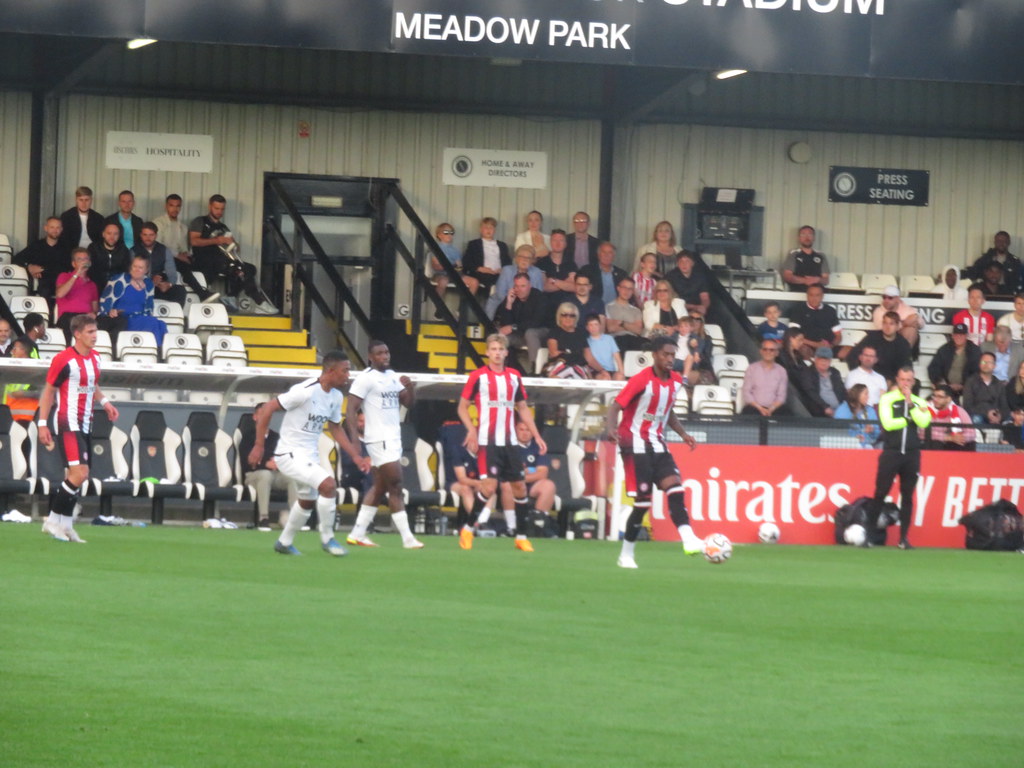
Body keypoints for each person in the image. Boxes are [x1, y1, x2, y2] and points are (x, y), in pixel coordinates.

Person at [248, 350, 364, 556]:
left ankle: (284, 542)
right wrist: (259, 445)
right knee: (329, 486)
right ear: (330, 371)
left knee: (307, 500)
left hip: (308, 456)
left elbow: (335, 428)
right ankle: (328, 539)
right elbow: (267, 409)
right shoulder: (304, 391)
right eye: (345, 371)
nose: (348, 375)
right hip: (289, 454)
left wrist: (355, 455)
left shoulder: (336, 397)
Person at [604, 335, 703, 569]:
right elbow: (616, 406)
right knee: (642, 503)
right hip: (634, 443)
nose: (670, 359)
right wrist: (610, 428)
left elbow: (666, 411)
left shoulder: (676, 381)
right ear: (655, 355)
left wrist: (683, 434)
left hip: (658, 443)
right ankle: (626, 553)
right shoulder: (641, 380)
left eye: (673, 355)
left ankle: (688, 538)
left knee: (676, 487)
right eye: (665, 354)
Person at [456, 333, 547, 552]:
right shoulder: (478, 377)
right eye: (493, 349)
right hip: (488, 441)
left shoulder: (514, 376)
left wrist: (536, 435)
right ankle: (468, 530)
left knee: (519, 488)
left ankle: (521, 536)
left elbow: (522, 408)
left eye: (500, 349)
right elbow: (461, 406)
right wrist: (471, 431)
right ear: (487, 352)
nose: (497, 353)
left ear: (506, 353)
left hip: (510, 442)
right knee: (489, 486)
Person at [36, 313, 120, 543]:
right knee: (78, 474)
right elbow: (49, 392)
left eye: (96, 331)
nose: (95, 336)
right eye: (90, 332)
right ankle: (53, 521)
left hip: (86, 423)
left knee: (80, 476)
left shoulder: (96, 358)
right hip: (67, 422)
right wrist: (42, 424)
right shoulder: (63, 359)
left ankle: (65, 525)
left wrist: (105, 402)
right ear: (77, 334)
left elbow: (92, 385)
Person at [345, 341, 424, 549]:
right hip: (378, 438)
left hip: (393, 437)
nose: (385, 356)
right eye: (380, 353)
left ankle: (357, 533)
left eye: (387, 352)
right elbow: (351, 409)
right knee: (396, 484)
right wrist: (355, 440)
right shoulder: (365, 378)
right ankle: (407, 538)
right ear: (370, 357)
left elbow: (408, 403)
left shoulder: (393, 376)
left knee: (380, 486)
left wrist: (410, 388)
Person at [872, 366, 932, 550]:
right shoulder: (887, 399)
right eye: (903, 379)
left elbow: (924, 421)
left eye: (909, 380)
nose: (906, 383)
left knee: (907, 495)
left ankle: (903, 538)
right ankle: (869, 533)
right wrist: (907, 419)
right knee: (881, 492)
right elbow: (888, 424)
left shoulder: (918, 401)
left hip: (912, 454)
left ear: (913, 382)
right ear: (897, 380)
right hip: (892, 452)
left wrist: (911, 406)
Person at [189, 194, 276, 313]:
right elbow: (194, 241)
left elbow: (236, 248)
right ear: (210, 206)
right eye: (216, 208)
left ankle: (231, 296)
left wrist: (233, 243)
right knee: (239, 267)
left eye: (222, 209)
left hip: (222, 260)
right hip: (204, 260)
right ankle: (259, 302)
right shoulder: (200, 221)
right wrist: (217, 240)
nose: (219, 212)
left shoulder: (223, 227)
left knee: (250, 268)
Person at [238, 402, 296, 530]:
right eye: (261, 414)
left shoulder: (276, 437)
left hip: (275, 474)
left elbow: (284, 456)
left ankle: (295, 519)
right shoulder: (248, 437)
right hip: (254, 476)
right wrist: (266, 463)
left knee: (292, 477)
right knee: (265, 474)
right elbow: (248, 461)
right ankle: (263, 517)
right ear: (255, 417)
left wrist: (277, 463)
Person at [153, 193, 220, 303]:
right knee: (182, 264)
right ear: (166, 206)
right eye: (172, 205)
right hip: (162, 258)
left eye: (178, 206)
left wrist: (186, 254)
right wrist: (178, 255)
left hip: (177, 258)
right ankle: (202, 294)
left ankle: (206, 288)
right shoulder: (158, 224)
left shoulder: (183, 227)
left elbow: (184, 249)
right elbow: (158, 246)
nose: (175, 209)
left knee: (203, 262)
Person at [99, 255, 169, 346]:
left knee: (161, 324)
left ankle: (159, 352)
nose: (136, 269)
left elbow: (149, 308)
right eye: (134, 266)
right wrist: (110, 311)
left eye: (140, 267)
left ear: (146, 270)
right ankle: (158, 353)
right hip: (123, 319)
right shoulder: (119, 280)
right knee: (151, 322)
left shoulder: (149, 284)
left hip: (141, 317)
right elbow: (104, 301)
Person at [493, 272, 549, 369]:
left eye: (523, 286)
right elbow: (505, 324)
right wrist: (509, 304)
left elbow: (536, 322)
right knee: (502, 336)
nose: (519, 289)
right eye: (517, 286)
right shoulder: (513, 297)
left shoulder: (539, 297)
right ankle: (510, 368)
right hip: (520, 334)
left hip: (542, 333)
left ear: (529, 286)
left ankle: (535, 369)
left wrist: (514, 327)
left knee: (530, 333)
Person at [514, 418, 557, 531]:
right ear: (515, 430)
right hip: (512, 487)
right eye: (521, 429)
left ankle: (537, 522)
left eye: (528, 430)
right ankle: (511, 527)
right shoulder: (509, 447)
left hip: (532, 486)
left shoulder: (538, 447)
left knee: (549, 485)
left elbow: (542, 473)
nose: (524, 433)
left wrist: (522, 476)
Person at [13, 216, 70, 300]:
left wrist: (42, 269)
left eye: (58, 227)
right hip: (41, 284)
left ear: (61, 229)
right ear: (46, 228)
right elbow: (16, 259)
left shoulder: (66, 248)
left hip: (60, 283)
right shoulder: (36, 246)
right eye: (52, 227)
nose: (55, 230)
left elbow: (66, 267)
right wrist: (29, 267)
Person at [847, 312, 913, 382]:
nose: (887, 327)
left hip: (893, 380)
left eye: (891, 324)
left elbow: (906, 367)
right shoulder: (872, 338)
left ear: (897, 326)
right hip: (870, 377)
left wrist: (892, 381)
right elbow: (852, 356)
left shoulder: (902, 344)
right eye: (885, 323)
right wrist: (860, 374)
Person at [134, 222, 187, 306]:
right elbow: (133, 275)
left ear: (156, 235)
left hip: (158, 287)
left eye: (151, 235)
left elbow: (172, 273)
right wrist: (150, 282)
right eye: (145, 235)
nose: (148, 238)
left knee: (180, 290)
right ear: (141, 235)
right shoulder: (134, 251)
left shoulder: (163, 250)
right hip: (141, 287)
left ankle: (175, 318)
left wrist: (168, 284)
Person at [484, 244, 545, 318]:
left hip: (528, 306)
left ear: (532, 261)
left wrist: (524, 305)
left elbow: (539, 294)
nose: (524, 260)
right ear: (516, 258)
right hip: (506, 302)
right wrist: (514, 303)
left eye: (528, 258)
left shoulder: (537, 272)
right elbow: (500, 293)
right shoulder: (507, 270)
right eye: (521, 256)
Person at [54, 248, 99, 343]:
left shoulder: (92, 284)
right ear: (73, 264)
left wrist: (94, 314)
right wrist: (77, 274)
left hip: (85, 318)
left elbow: (95, 308)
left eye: (85, 259)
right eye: (79, 259)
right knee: (72, 322)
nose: (83, 262)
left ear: (89, 262)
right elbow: (60, 294)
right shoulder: (64, 276)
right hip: (68, 318)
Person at [927, 322, 981, 400]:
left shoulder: (974, 350)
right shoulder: (944, 349)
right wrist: (940, 382)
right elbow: (933, 368)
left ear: (966, 336)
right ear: (952, 335)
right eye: (956, 334)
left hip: (968, 389)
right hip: (946, 388)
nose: (958, 337)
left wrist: (964, 385)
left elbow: (977, 372)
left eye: (961, 335)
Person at [788, 284, 842, 359]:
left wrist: (831, 345)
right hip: (808, 346)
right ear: (807, 296)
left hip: (828, 347)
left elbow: (838, 335)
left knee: (849, 350)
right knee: (803, 349)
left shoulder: (830, 310)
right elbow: (793, 335)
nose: (814, 298)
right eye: (811, 295)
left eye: (817, 295)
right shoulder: (798, 310)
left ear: (822, 296)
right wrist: (815, 344)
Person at [740, 338, 790, 417]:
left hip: (774, 409)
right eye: (765, 349)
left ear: (777, 353)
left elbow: (781, 396)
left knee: (787, 414)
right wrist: (760, 408)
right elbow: (746, 392)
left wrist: (770, 409)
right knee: (747, 412)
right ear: (761, 351)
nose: (768, 352)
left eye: (771, 350)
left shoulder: (781, 371)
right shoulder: (751, 369)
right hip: (754, 408)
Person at [461, 216, 510, 294]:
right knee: (492, 281)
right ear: (481, 230)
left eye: (491, 227)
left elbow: (508, 262)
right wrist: (480, 268)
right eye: (485, 227)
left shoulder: (502, 245)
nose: (488, 230)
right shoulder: (474, 244)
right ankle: (491, 302)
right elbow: (466, 262)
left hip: (499, 273)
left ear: (494, 230)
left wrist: (503, 270)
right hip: (482, 273)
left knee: (509, 280)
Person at [795, 347, 847, 417]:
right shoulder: (808, 373)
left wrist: (845, 407)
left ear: (830, 361)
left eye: (826, 360)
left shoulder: (835, 372)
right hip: (819, 412)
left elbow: (842, 391)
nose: (824, 362)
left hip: (839, 410)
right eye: (821, 359)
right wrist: (825, 407)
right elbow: (810, 392)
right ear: (815, 359)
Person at [923, 385, 977, 451]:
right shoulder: (926, 409)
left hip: (953, 445)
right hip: (936, 444)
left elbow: (971, 433)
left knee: (968, 444)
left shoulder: (959, 410)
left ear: (948, 399)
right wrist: (949, 438)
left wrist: (959, 438)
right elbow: (922, 433)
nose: (935, 399)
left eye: (940, 397)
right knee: (936, 443)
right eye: (934, 396)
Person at [545, 303, 591, 378]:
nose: (568, 318)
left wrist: (602, 370)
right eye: (564, 315)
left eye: (572, 316)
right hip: (559, 365)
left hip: (577, 366)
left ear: (576, 318)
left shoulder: (581, 334)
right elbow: (553, 353)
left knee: (576, 369)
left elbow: (589, 358)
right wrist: (574, 355)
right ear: (559, 317)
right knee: (568, 369)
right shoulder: (554, 332)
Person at [962, 351, 1009, 425]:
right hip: (977, 416)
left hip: (995, 417)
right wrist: (987, 413)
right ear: (979, 364)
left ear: (994, 366)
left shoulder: (999, 384)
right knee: (976, 419)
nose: (986, 364)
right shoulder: (970, 382)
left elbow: (1004, 407)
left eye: (989, 362)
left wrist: (1000, 416)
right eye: (983, 362)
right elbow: (967, 406)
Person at [87, 222, 131, 297]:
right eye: (109, 233)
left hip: (116, 287)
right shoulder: (93, 248)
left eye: (115, 234)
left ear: (119, 235)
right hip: (95, 287)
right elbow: (90, 270)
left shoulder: (124, 250)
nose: (112, 237)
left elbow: (126, 271)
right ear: (103, 234)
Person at [535, 228, 576, 309]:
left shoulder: (571, 264)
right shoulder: (541, 263)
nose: (558, 243)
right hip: (546, 306)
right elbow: (544, 287)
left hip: (567, 307)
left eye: (561, 240)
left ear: (565, 244)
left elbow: (573, 287)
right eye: (554, 240)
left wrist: (554, 281)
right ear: (550, 242)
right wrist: (565, 283)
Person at [2, 338, 40, 423]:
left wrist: (25, 393)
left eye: (15, 348)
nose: (12, 351)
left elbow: (43, 392)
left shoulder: (36, 370)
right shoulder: (10, 369)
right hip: (10, 420)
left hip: (29, 421)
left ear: (23, 350)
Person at [604, 275, 646, 352]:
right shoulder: (608, 307)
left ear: (633, 291)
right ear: (618, 288)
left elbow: (638, 331)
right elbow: (611, 328)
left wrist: (622, 323)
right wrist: (631, 326)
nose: (626, 291)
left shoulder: (636, 310)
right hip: (616, 340)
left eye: (630, 289)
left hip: (633, 340)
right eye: (624, 287)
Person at [781, 225, 830, 290]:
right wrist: (805, 280)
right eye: (803, 234)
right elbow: (787, 276)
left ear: (814, 238)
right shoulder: (793, 254)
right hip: (797, 292)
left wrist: (817, 280)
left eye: (810, 234)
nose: (807, 237)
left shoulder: (821, 255)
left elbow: (826, 280)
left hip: (816, 294)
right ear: (799, 238)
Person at [664, 250, 711, 317]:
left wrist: (703, 307)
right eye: (681, 261)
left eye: (687, 261)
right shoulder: (670, 277)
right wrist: (694, 307)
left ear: (692, 263)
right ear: (677, 264)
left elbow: (705, 297)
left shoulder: (700, 276)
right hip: (677, 309)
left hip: (697, 310)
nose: (684, 264)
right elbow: (670, 300)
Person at [58, 186, 106, 250]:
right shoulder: (67, 216)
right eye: (81, 200)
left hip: (93, 252)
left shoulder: (98, 218)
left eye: (87, 200)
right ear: (76, 200)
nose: (84, 203)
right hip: (73, 252)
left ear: (91, 200)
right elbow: (64, 239)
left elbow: (101, 240)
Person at [428, 222, 463, 304]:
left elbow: (460, 266)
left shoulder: (455, 250)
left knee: (473, 282)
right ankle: (439, 307)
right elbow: (436, 266)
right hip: (440, 274)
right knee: (443, 281)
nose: (449, 235)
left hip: (454, 275)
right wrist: (451, 267)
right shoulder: (436, 248)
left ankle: (461, 310)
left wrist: (455, 269)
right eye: (446, 232)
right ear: (439, 235)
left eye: (451, 232)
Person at [833, 383, 879, 448]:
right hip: (846, 446)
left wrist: (872, 430)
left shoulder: (870, 410)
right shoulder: (843, 410)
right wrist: (853, 439)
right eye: (866, 394)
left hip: (867, 445)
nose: (868, 397)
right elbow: (837, 433)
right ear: (857, 394)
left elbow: (876, 434)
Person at [584, 313, 624, 380]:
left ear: (600, 325)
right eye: (591, 325)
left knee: (620, 376)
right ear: (587, 327)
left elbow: (617, 357)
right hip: (597, 372)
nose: (594, 328)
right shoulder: (586, 342)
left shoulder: (609, 339)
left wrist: (622, 372)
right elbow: (587, 362)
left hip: (611, 370)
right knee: (604, 378)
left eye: (596, 324)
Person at [682, 313, 716, 385]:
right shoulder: (681, 337)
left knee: (679, 376)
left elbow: (706, 359)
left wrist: (694, 352)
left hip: (701, 370)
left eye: (698, 320)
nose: (694, 322)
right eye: (691, 319)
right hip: (683, 368)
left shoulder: (706, 339)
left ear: (701, 323)